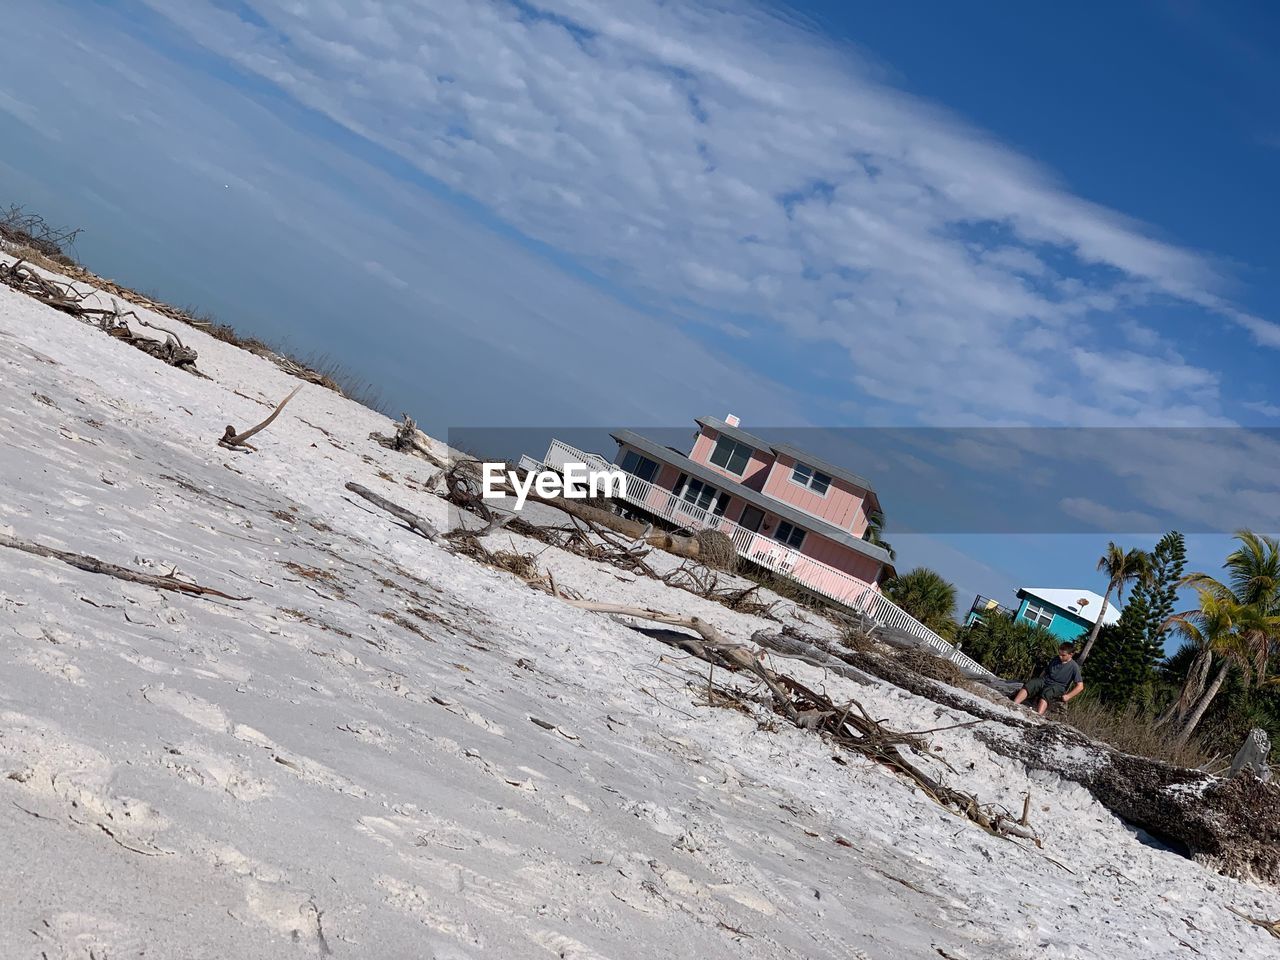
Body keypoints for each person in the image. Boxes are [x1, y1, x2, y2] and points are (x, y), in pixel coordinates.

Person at [1013, 641, 1084, 715]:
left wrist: (1068, 696)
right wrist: (1038, 682)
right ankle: (1014, 704)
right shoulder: (1055, 659)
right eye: (1059, 654)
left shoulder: (1074, 667)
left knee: (1047, 693)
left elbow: (1080, 686)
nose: (1060, 656)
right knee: (1031, 683)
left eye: (1063, 655)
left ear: (1071, 654)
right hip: (1046, 680)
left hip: (1058, 686)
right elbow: (1046, 671)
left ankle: (1038, 715)